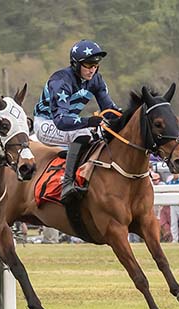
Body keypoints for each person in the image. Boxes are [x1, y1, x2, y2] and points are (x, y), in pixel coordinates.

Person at [34, 39, 121, 203]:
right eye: (88, 65)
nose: (92, 70)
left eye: (95, 65)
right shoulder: (60, 81)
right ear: (75, 64)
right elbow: (60, 121)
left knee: (101, 134)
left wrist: (129, 118)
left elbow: (110, 110)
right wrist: (89, 121)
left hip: (68, 124)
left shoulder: (96, 80)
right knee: (84, 131)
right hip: (46, 123)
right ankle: (67, 185)